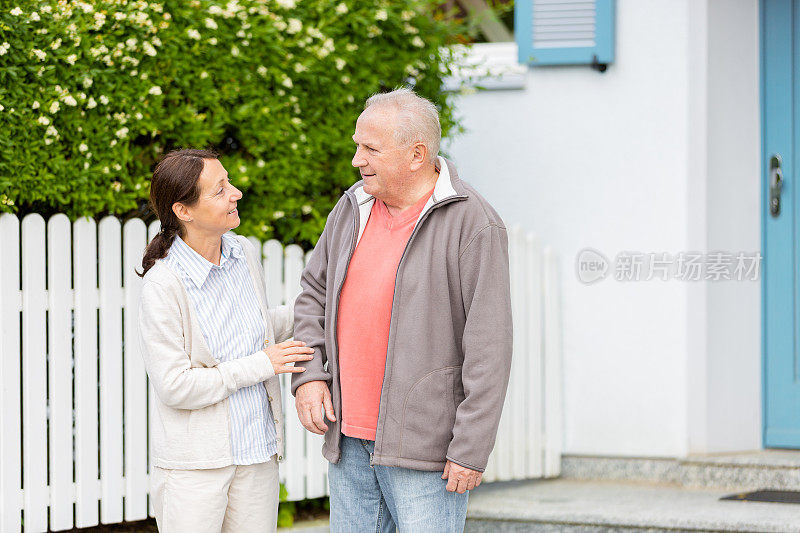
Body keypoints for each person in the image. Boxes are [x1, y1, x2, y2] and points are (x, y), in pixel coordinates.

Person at [292, 88, 513, 532]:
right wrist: (310, 375)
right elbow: (313, 293)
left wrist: (470, 448)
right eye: (358, 145)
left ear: (417, 154)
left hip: (426, 450)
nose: (356, 159)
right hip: (349, 436)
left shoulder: (474, 224)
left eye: (369, 148)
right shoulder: (352, 206)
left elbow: (489, 346)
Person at [137, 148, 314, 533]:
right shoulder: (163, 284)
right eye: (220, 190)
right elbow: (175, 386)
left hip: (257, 455)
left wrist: (317, 308)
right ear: (184, 210)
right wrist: (263, 364)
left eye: (229, 182)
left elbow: (256, 330)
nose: (236, 193)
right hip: (195, 468)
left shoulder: (242, 252)